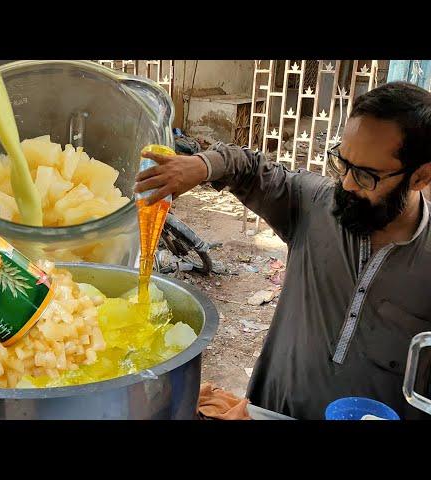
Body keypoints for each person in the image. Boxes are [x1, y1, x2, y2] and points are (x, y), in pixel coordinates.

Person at [135, 81, 431, 419]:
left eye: (365, 176)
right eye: (342, 163)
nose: (346, 183)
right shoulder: (318, 206)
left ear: (420, 177)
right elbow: (246, 167)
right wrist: (201, 167)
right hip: (267, 411)